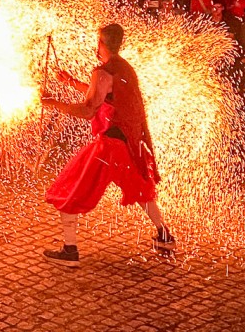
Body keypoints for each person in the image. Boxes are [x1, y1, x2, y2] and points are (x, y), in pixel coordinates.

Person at [40, 22, 175, 267]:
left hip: (110, 147)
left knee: (69, 188)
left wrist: (54, 104)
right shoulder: (125, 68)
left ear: (100, 43)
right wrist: (70, 82)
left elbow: (89, 109)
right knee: (140, 189)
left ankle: (70, 250)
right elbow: (103, 94)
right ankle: (164, 235)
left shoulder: (103, 72)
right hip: (128, 145)